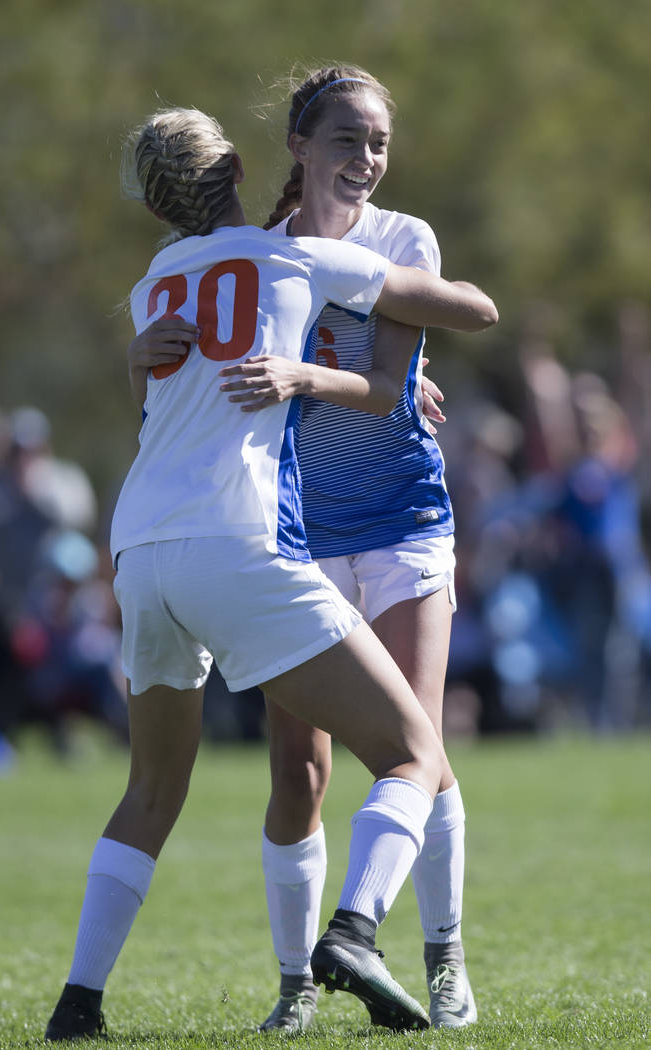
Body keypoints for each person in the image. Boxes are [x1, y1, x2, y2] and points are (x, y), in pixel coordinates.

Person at [44, 105, 496, 1041]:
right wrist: (399, 347)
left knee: (151, 791)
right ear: (253, 163)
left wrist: (142, 363)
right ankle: (353, 937)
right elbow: (468, 309)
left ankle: (77, 1004)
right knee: (415, 753)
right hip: (240, 546)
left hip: (139, 552)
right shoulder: (288, 255)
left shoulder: (151, 286)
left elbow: (166, 389)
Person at [209, 66, 482, 1032]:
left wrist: (306, 373)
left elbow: (386, 384)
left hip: (405, 518)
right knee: (299, 769)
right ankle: (296, 984)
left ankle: (443, 957)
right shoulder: (257, 256)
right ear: (298, 142)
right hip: (298, 535)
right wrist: (147, 350)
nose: (364, 158)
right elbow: (217, 368)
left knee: (420, 745)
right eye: (345, 139)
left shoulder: (404, 241)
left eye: (377, 142)